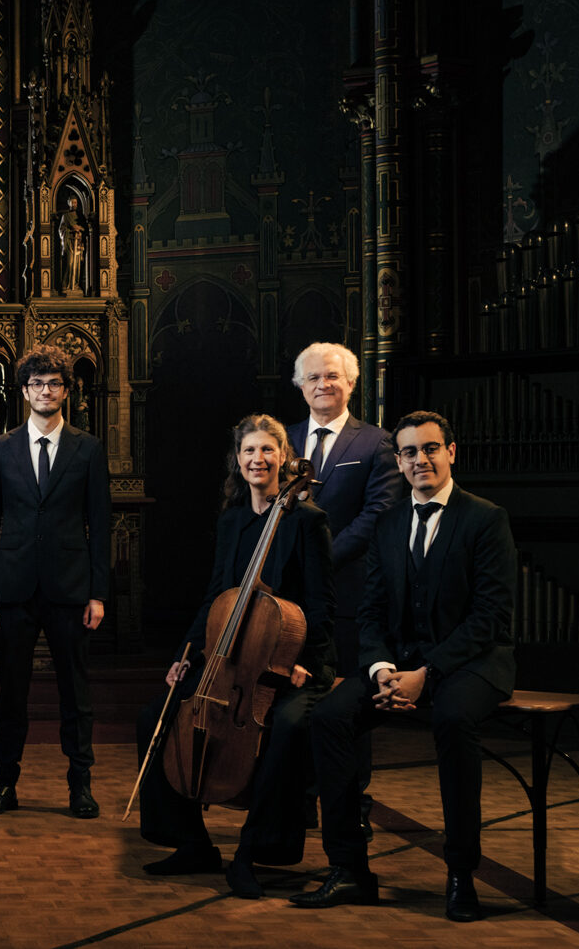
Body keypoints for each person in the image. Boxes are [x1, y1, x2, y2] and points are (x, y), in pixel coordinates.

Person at [290, 411, 516, 923]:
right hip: (400, 666)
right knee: (329, 717)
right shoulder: (389, 524)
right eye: (410, 452)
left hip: (473, 663)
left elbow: (490, 619)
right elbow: (370, 611)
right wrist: (380, 668)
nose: (421, 460)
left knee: (454, 722)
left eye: (431, 449)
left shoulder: (486, 518)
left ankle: (461, 874)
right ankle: (349, 868)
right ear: (398, 461)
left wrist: (428, 673)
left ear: (451, 453)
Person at [136, 415, 335, 898]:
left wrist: (303, 659)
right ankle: (191, 841)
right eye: (249, 451)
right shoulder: (232, 521)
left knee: (285, 729)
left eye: (267, 450)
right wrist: (187, 652)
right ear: (237, 460)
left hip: (289, 661)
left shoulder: (307, 521)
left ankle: (253, 849)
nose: (257, 460)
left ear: (284, 458)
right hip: (229, 657)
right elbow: (215, 595)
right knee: (154, 718)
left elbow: (322, 604)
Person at [0, 345, 113, 819]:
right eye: (37, 383)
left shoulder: (88, 448)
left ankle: (80, 785)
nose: (45, 390)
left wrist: (98, 593)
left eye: (54, 383)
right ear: (24, 390)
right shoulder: (1, 447)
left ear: (66, 391)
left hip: (70, 589)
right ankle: (4, 783)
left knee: (76, 692)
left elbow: (100, 523)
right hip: (12, 590)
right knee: (12, 692)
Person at [288, 341, 405, 840]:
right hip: (291, 602)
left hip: (349, 597)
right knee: (295, 700)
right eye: (313, 377)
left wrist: (321, 560)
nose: (323, 385)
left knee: (346, 704)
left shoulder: (375, 442)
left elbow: (377, 515)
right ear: (300, 385)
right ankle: (296, 800)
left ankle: (352, 802)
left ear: (352, 383)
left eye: (333, 376)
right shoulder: (284, 439)